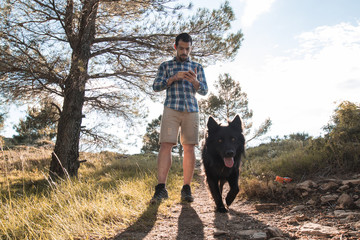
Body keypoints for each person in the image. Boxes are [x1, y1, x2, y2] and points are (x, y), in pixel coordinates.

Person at [151, 33, 208, 203]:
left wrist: (195, 82)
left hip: (191, 110)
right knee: (165, 145)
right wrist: (173, 78)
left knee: (189, 148)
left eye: (187, 49)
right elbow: (156, 86)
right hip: (171, 108)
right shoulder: (166, 66)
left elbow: (204, 91)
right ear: (175, 47)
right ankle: (161, 188)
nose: (184, 51)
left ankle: (186, 188)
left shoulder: (197, 66)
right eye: (181, 48)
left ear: (191, 48)